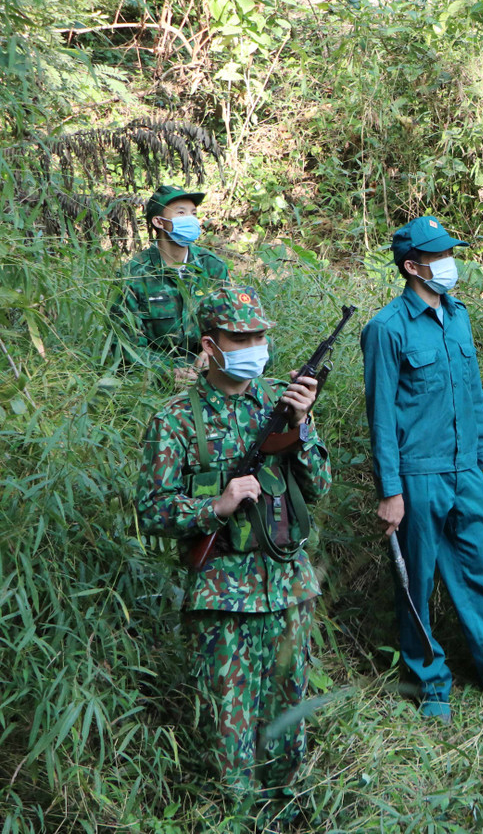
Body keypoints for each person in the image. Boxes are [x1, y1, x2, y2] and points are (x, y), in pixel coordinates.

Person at [136, 285, 329, 821]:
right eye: (240, 338)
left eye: (260, 337)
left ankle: (288, 813)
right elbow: (150, 511)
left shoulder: (280, 405)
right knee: (229, 720)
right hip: (223, 594)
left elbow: (319, 487)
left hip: (287, 584)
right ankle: (235, 816)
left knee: (289, 710)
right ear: (210, 345)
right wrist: (215, 507)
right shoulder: (176, 420)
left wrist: (301, 426)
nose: (254, 347)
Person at [360, 215, 483, 719]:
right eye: (437, 256)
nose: (448, 264)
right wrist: (390, 490)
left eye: (449, 254)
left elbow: (473, 395)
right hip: (417, 475)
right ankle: (430, 684)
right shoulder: (386, 329)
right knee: (416, 583)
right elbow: (381, 417)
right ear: (412, 266)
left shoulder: (458, 316)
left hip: (466, 472)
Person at [114, 184, 230, 383]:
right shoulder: (133, 273)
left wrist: (214, 352)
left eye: (194, 213)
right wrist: (166, 371)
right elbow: (125, 343)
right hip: (157, 366)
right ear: (159, 222)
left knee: (263, 345)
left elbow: (232, 322)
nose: (191, 219)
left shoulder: (212, 266)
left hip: (208, 362)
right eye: (181, 213)